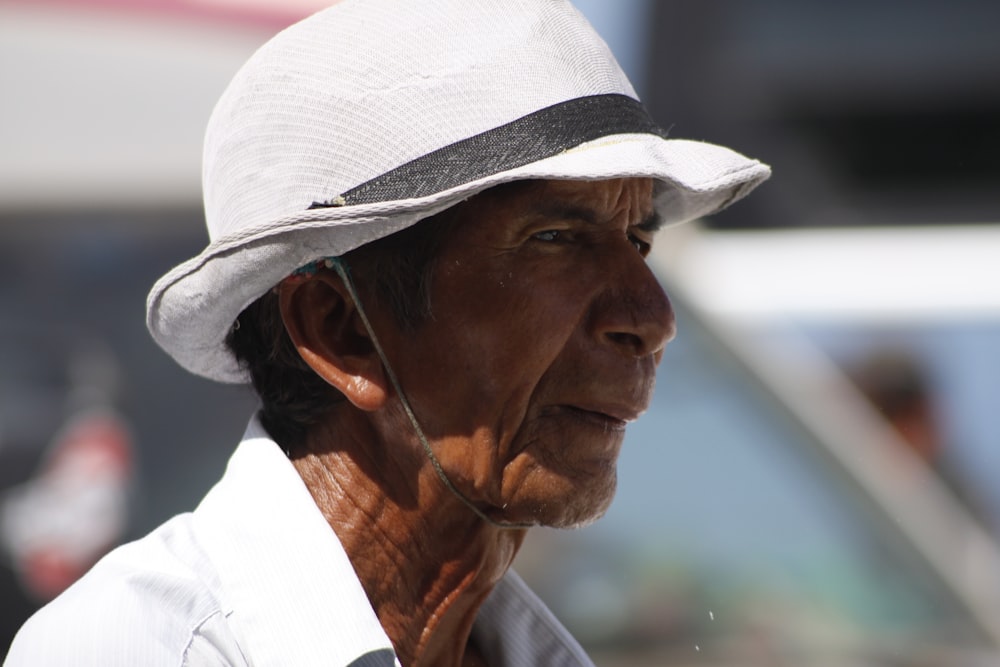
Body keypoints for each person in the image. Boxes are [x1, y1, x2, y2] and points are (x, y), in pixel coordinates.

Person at [4, 0, 769, 665]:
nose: (651, 317)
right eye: (556, 240)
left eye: (638, 240)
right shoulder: (146, 650)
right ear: (340, 331)